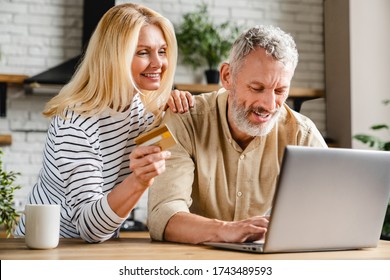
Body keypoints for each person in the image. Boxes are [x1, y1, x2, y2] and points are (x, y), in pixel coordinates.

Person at [14, 3, 193, 243]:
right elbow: (91, 229)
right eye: (143, 52)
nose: (158, 63)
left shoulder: (142, 112)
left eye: (162, 51)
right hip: (48, 248)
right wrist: (139, 180)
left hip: (95, 251)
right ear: (114, 56)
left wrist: (175, 110)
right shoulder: (75, 123)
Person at [147, 25, 328, 244]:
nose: (269, 105)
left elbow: (329, 211)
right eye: (257, 88)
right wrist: (225, 230)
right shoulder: (183, 120)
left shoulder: (302, 134)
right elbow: (162, 214)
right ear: (227, 76)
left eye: (280, 91)